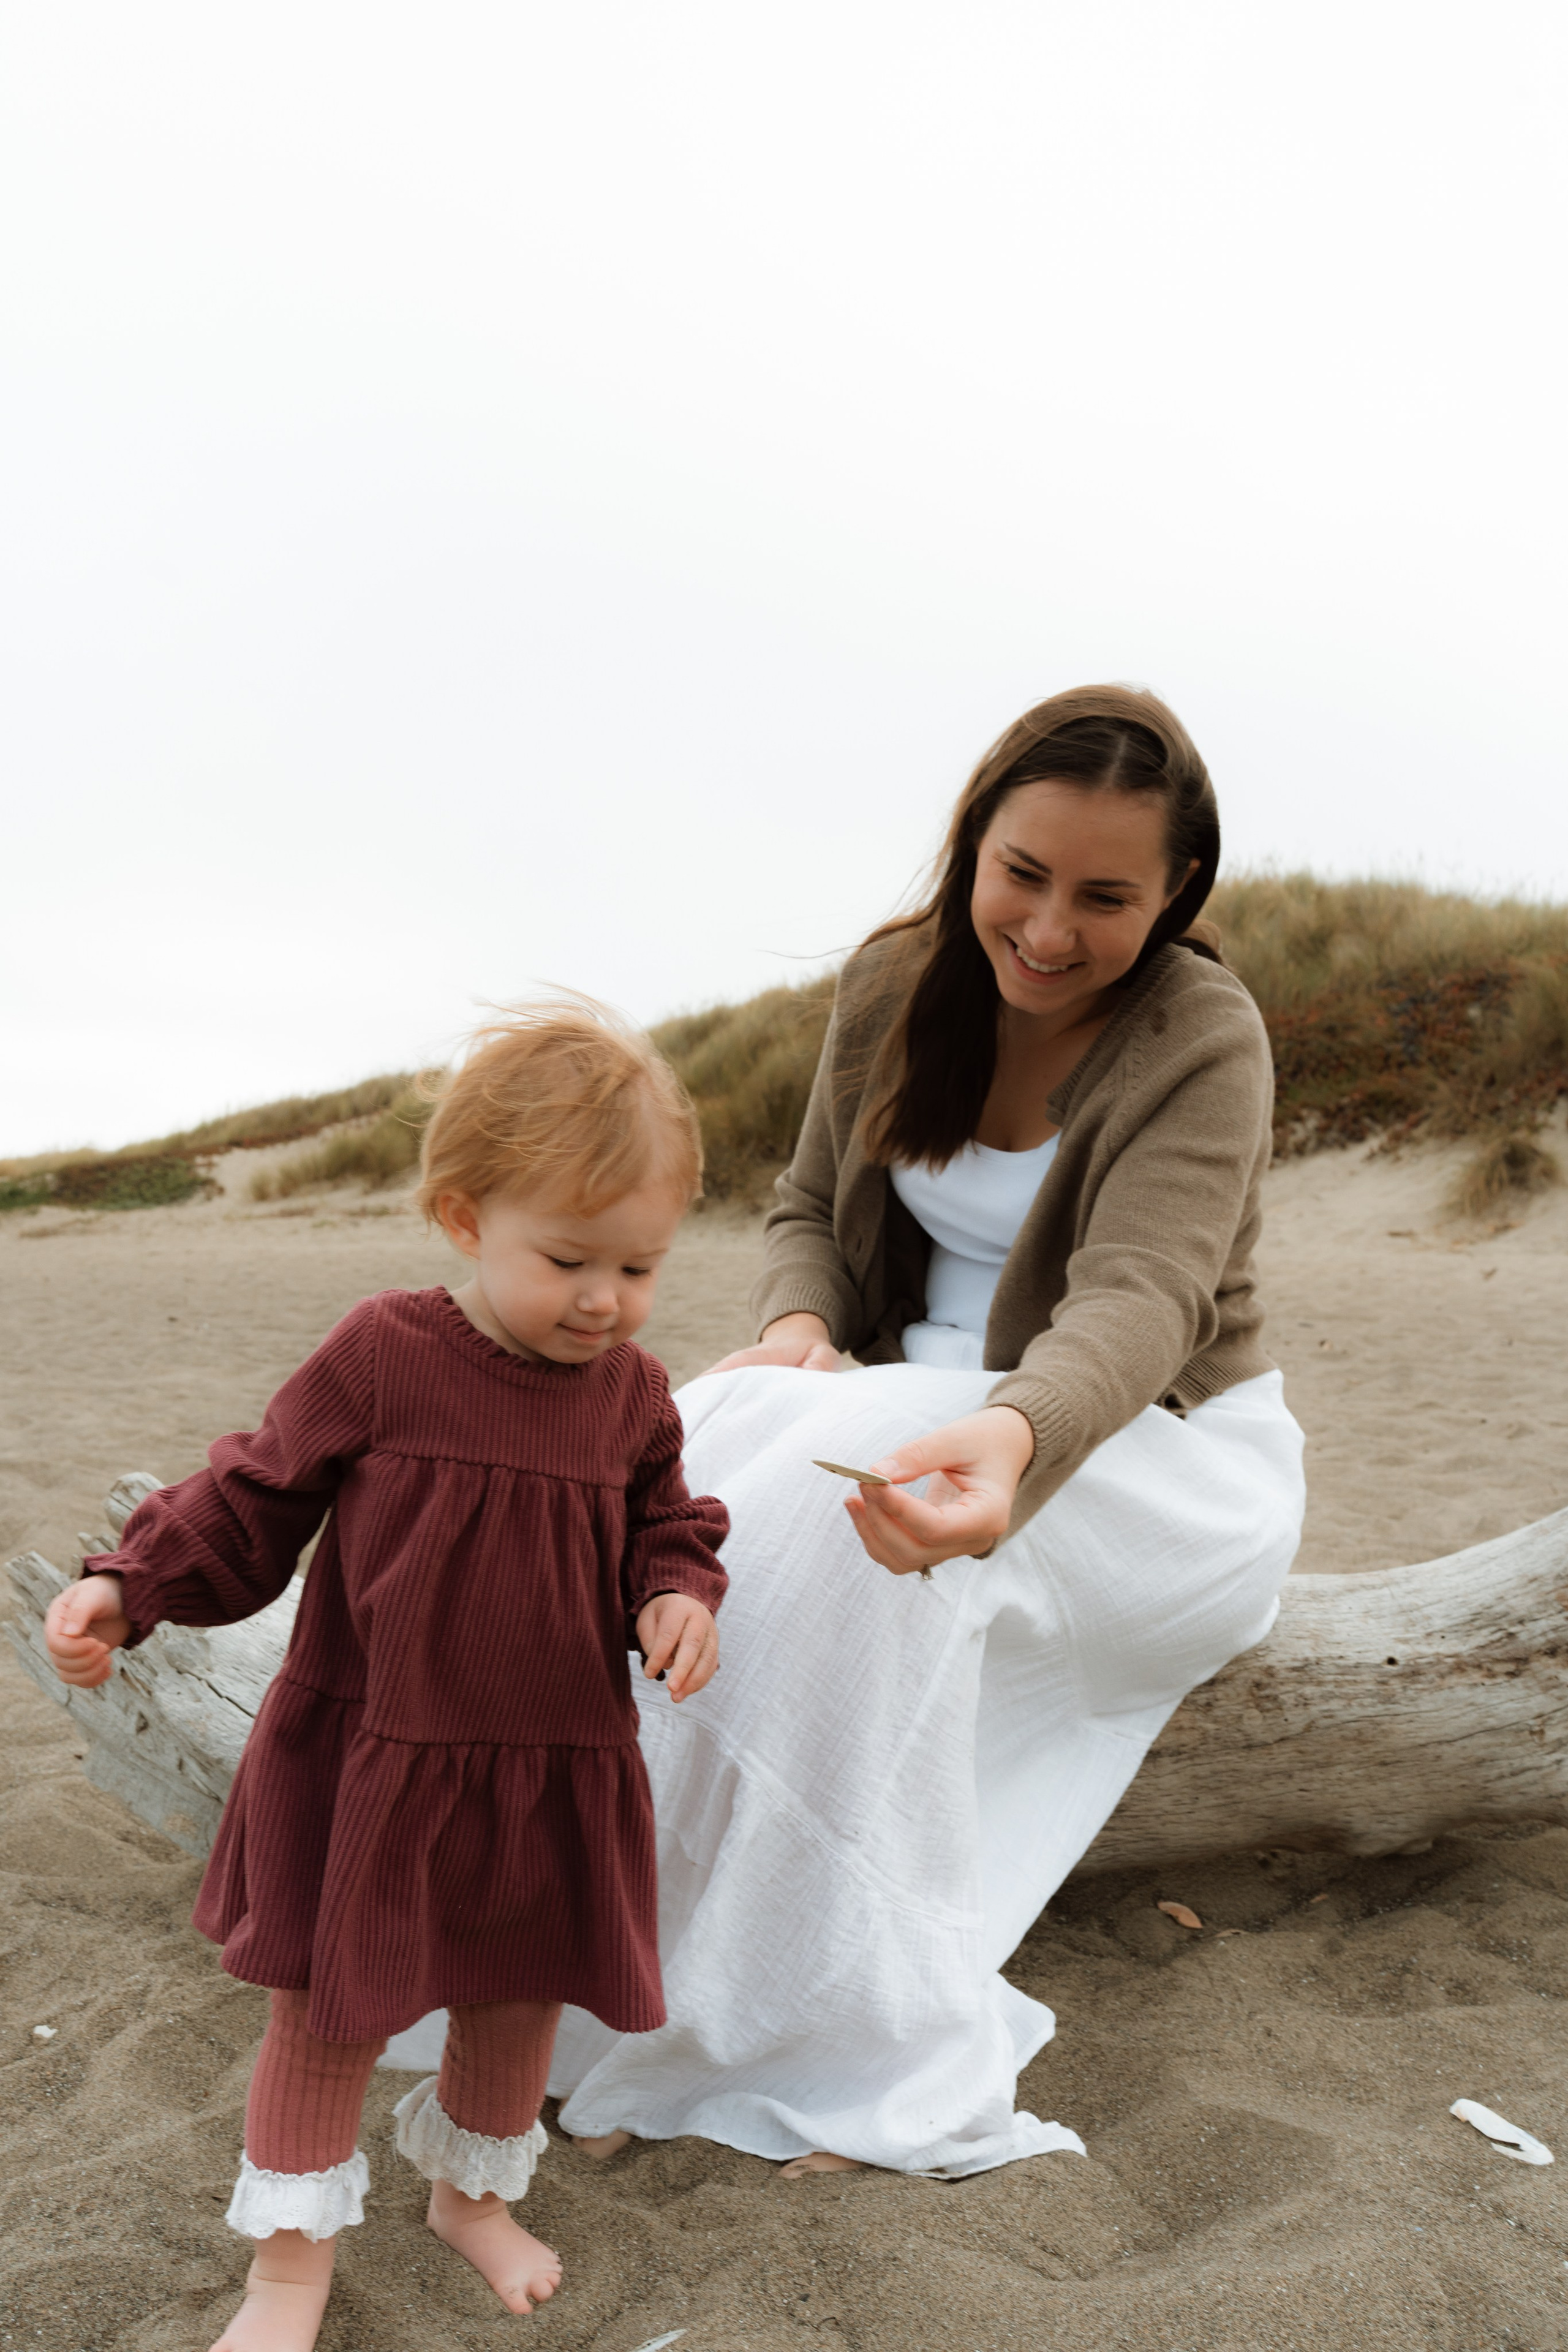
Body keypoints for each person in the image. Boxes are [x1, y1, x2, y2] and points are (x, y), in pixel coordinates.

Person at [548, 682, 1306, 2178]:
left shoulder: (1198, 1034)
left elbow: (1142, 1295)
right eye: (1020, 873)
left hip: (1143, 1447)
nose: (1045, 927)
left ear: (1173, 901)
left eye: (1104, 897)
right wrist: (788, 1337)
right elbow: (804, 1217)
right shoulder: (893, 985)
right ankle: (576, 1949)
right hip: (897, 1392)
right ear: (971, 844)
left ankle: (840, 2031)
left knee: (836, 1551)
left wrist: (1017, 1437)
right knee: (677, 1452)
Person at [44, 1006, 729, 2351]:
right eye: (570, 1259)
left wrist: (674, 1595)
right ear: (465, 1218)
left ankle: (471, 2203)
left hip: (547, 1757)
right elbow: (249, 1496)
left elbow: (669, 1522)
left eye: (640, 1266)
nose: (605, 1299)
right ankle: (288, 2272)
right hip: (379, 1754)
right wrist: (131, 1584)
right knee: (328, 2011)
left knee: (515, 2000)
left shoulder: (633, 1394)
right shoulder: (384, 1355)